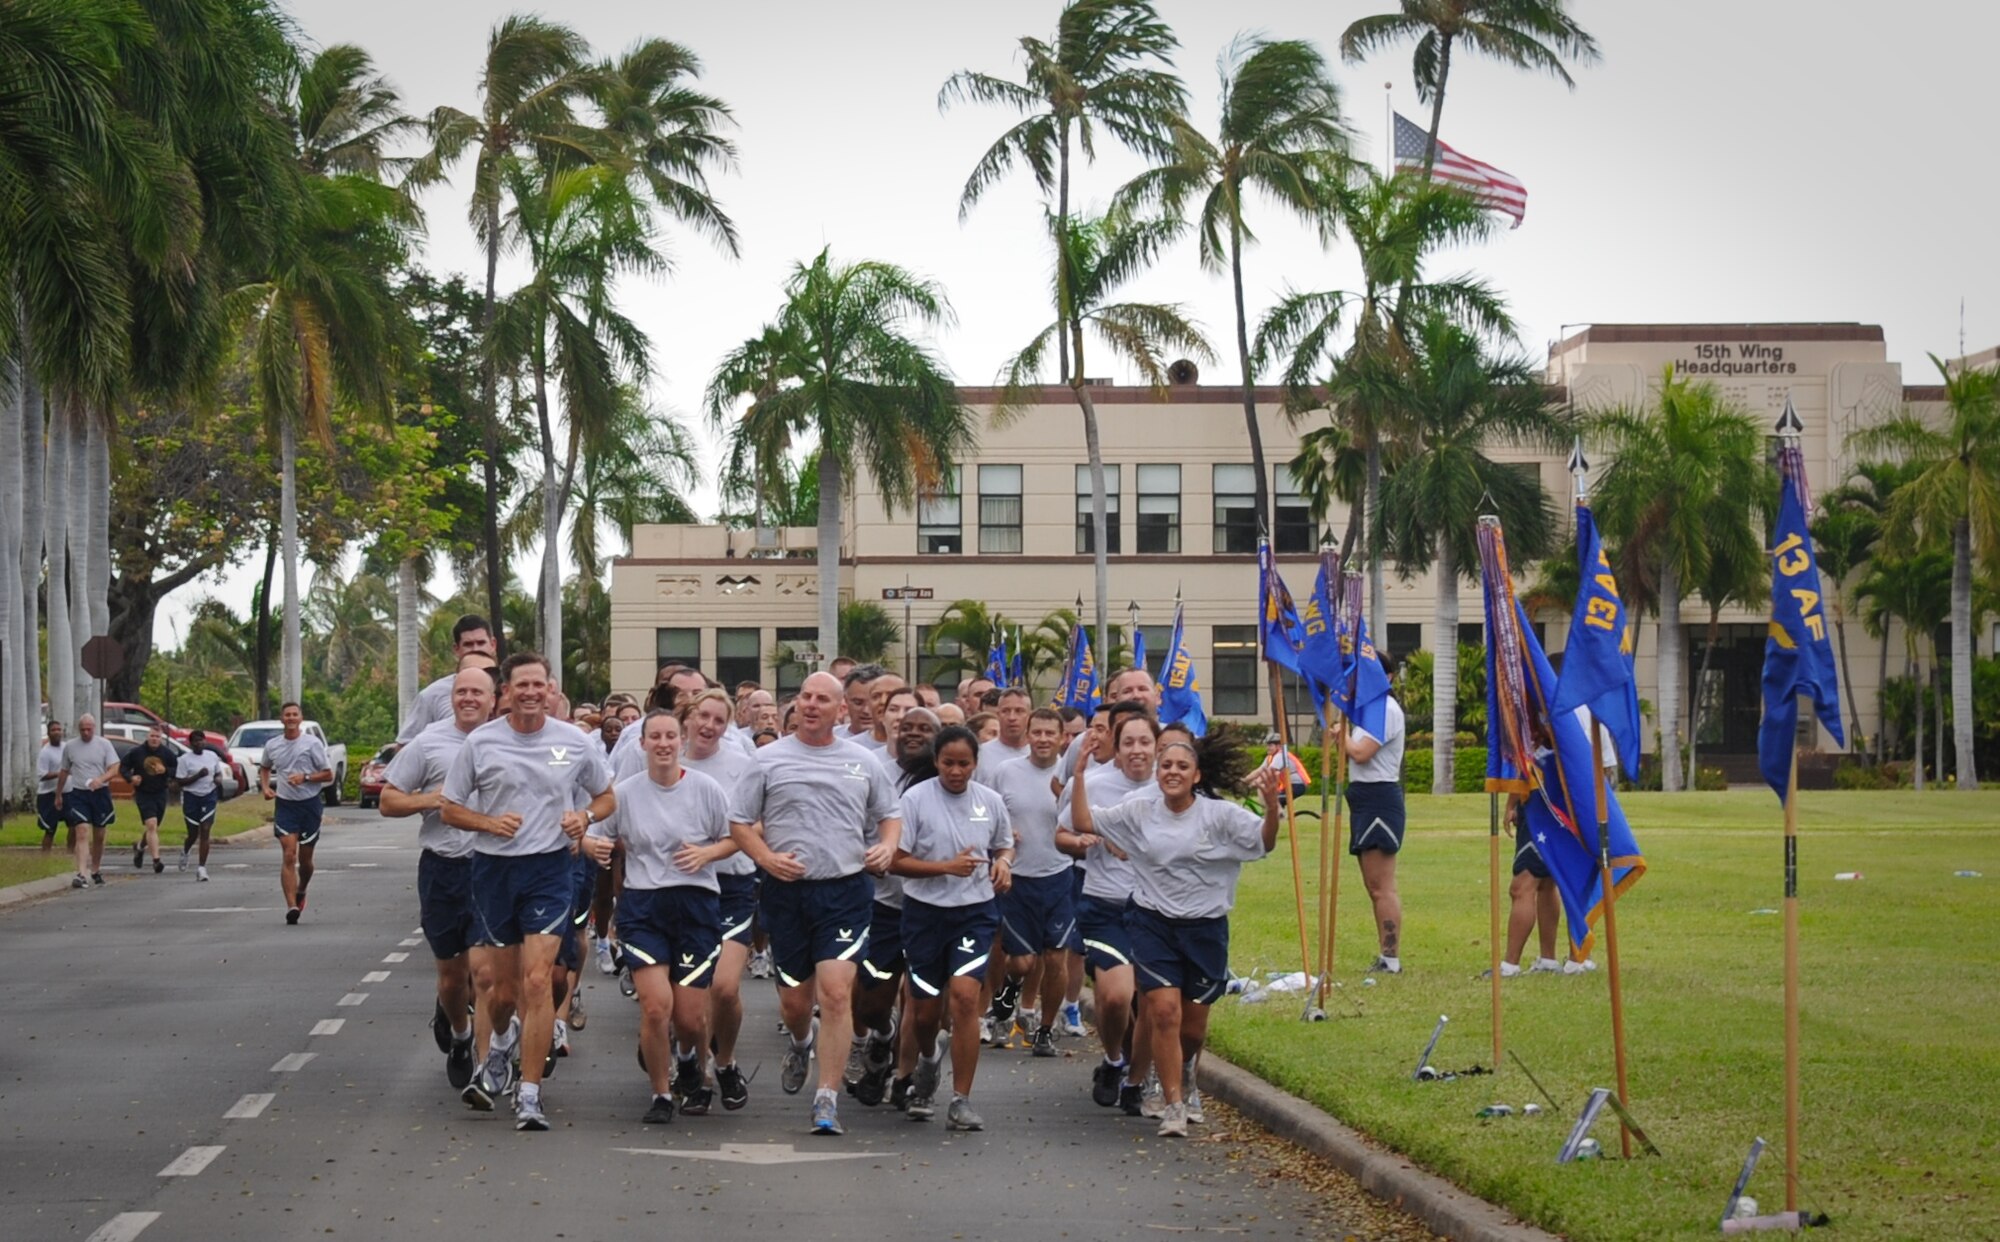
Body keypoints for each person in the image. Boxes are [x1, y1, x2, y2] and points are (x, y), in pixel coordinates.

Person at [1067, 736, 1282, 1136]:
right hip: (1153, 924)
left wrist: (1272, 809)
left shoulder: (1220, 816)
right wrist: (1078, 774)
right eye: (1166, 766)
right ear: (1157, 773)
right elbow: (1083, 823)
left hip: (1205, 929)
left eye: (1182, 767)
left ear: (1196, 775)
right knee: (1163, 1012)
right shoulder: (1140, 812)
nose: (1172, 773)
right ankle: (1173, 1104)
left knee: (1193, 1029)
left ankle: (1185, 1073)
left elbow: (1263, 842)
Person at [441, 652, 615, 1131]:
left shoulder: (573, 742)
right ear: (507, 693)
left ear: (551, 690)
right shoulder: (481, 742)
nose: (532, 693)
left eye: (540, 685)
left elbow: (606, 796)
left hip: (550, 869)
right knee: (499, 993)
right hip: (494, 871)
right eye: (523, 685)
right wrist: (488, 823)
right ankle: (500, 1041)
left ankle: (531, 1092)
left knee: (538, 982)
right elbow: (451, 808)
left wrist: (586, 818)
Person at [727, 671, 902, 1137]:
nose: (810, 704)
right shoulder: (767, 759)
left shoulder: (863, 761)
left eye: (822, 699)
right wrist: (765, 858)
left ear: (840, 709)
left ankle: (826, 1098)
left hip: (844, 891)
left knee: (837, 992)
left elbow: (890, 816)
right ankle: (802, 1042)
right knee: (795, 1002)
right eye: (805, 696)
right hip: (787, 893)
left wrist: (886, 847)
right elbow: (739, 822)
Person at [585, 710, 737, 1124]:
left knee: (690, 1017)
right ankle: (661, 1094)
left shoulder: (706, 789)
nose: (665, 743)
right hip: (643, 905)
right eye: (657, 736)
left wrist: (707, 853)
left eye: (672, 736)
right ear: (644, 743)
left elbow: (736, 838)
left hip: (695, 905)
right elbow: (590, 831)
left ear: (682, 741)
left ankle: (692, 1062)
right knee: (656, 1007)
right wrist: (591, 847)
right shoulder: (626, 792)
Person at [380, 665, 498, 1091]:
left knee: (485, 975)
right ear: (451, 698)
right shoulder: (429, 743)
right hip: (444, 869)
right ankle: (462, 1037)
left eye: (477, 692)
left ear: (492, 698)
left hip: (492, 869)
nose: (468, 699)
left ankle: (486, 1067)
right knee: (452, 976)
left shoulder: (508, 739)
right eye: (461, 691)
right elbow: (388, 800)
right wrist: (433, 798)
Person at [890, 725, 1014, 1130]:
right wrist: (945, 867)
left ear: (975, 764)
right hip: (925, 914)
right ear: (936, 762)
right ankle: (927, 1062)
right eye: (948, 763)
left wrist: (1003, 862)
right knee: (924, 1014)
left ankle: (961, 1099)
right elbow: (896, 860)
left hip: (975, 913)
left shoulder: (990, 801)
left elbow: (1004, 843)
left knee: (964, 999)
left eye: (964, 764)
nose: (956, 771)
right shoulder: (915, 799)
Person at [1055, 710, 1161, 1112]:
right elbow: (1060, 835)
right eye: (1128, 742)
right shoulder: (1094, 785)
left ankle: (1136, 1082)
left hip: (1156, 911)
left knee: (1154, 1002)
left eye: (1144, 742)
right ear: (1115, 748)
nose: (1137, 750)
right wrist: (1084, 840)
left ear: (1156, 745)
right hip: (1106, 904)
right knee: (1115, 998)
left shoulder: (1169, 785)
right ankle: (1114, 1059)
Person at [850, 705, 939, 1109]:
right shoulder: (875, 772)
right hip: (883, 905)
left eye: (925, 728)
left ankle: (904, 1080)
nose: (914, 733)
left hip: (933, 909)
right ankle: (881, 1043)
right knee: (870, 1005)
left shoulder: (952, 775)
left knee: (921, 1005)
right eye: (907, 727)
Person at [677, 688, 759, 1111]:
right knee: (689, 992)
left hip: (732, 885)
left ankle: (724, 1061)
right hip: (680, 888)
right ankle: (696, 1071)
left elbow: (757, 825)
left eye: (718, 720)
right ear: (688, 718)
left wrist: (714, 851)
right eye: (703, 717)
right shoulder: (667, 758)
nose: (709, 726)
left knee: (724, 988)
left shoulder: (742, 765)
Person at [987, 707, 1071, 1056]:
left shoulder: (1072, 776)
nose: (1042, 739)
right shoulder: (1006, 772)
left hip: (1060, 875)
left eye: (1050, 733)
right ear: (1028, 734)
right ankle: (1007, 997)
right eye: (1036, 732)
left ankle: (1045, 1029)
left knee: (1055, 959)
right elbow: (987, 815)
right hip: (1017, 879)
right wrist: (1003, 835)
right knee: (1021, 962)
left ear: (1062, 737)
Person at [1335, 660, 1408, 974]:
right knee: (1372, 885)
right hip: (1364, 796)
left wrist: (1344, 736)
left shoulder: (1386, 710)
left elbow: (1362, 752)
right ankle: (1385, 956)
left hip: (1380, 797)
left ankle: (1391, 958)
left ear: (1387, 677)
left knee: (1382, 886)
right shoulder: (1367, 710)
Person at [259, 702, 333, 924]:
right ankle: (291, 906)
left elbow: (328, 774)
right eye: (287, 715)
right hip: (285, 805)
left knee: (306, 860)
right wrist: (265, 787)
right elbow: (264, 767)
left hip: (309, 805)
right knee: (289, 854)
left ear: (301, 718)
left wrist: (306, 777)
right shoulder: (273, 745)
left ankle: (302, 889)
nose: (291, 718)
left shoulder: (312, 744)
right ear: (281, 719)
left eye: (294, 714)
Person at [396, 615, 499, 743]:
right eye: (468, 644)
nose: (475, 649)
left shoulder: (510, 690)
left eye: (481, 643)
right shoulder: (432, 695)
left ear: (493, 644)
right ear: (456, 649)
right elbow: (406, 744)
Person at [56, 714, 119, 888]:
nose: (85, 733)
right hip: (79, 793)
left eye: (88, 729)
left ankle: (95, 869)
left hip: (100, 793)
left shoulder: (104, 744)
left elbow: (115, 768)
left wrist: (101, 779)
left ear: (94, 728)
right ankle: (81, 873)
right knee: (81, 831)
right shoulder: (70, 747)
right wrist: (58, 794)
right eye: (82, 729)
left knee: (99, 834)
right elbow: (64, 770)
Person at [122, 725, 176, 873]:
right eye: (152, 736)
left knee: (153, 827)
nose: (154, 739)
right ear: (147, 736)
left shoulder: (167, 754)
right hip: (143, 793)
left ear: (161, 738)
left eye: (157, 737)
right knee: (151, 825)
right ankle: (156, 861)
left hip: (160, 792)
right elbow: (123, 767)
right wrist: (131, 778)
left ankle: (140, 847)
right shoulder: (137, 752)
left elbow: (176, 769)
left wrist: (166, 771)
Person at [175, 731, 227, 880]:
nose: (200, 743)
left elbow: (218, 773)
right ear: (191, 744)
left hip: (209, 796)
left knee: (205, 829)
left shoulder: (211, 756)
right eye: (196, 741)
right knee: (193, 833)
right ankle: (186, 851)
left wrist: (217, 779)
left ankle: (202, 868)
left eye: (202, 740)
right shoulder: (184, 760)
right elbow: (180, 782)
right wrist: (198, 775)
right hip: (191, 797)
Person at [982, 688, 1032, 768]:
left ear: (1029, 716)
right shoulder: (981, 755)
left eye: (1019, 711)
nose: (1012, 717)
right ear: (998, 715)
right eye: (1005, 711)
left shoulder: (1042, 755)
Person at [36, 721, 65, 854]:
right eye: (54, 730)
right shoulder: (45, 752)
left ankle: (71, 854)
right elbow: (42, 775)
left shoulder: (66, 748)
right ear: (48, 733)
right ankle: (45, 856)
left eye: (59, 729)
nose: (57, 732)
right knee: (50, 828)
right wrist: (59, 774)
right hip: (48, 794)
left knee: (75, 824)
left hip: (67, 793)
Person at [841, 664, 884, 749]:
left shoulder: (896, 747)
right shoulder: (829, 738)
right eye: (858, 703)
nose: (866, 711)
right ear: (846, 700)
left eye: (873, 702)